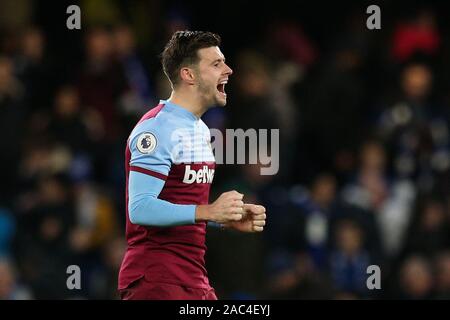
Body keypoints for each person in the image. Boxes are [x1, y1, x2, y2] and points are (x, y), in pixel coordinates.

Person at [118, 31, 267, 300]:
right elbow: (139, 208)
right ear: (189, 75)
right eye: (216, 64)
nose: (229, 70)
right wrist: (209, 211)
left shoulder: (199, 129)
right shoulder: (156, 129)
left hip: (193, 277)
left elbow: (181, 204)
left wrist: (223, 219)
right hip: (156, 279)